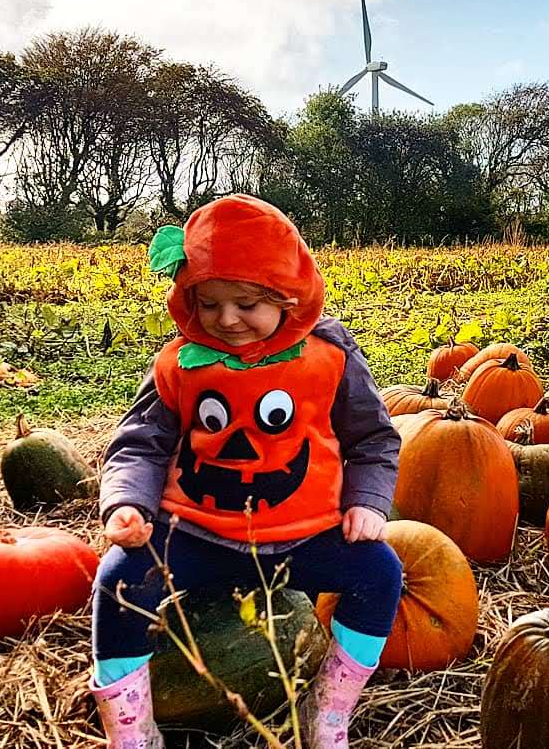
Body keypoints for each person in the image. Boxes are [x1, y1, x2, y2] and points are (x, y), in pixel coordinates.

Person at [88, 195, 402, 749]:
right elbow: (140, 444)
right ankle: (131, 727)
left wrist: (368, 503)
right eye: (208, 304)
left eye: (246, 304)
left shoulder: (328, 357)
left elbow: (373, 438)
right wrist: (126, 503)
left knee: (380, 573)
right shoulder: (181, 363)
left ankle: (328, 710)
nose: (226, 320)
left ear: (289, 296)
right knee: (118, 580)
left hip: (302, 534)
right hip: (197, 532)